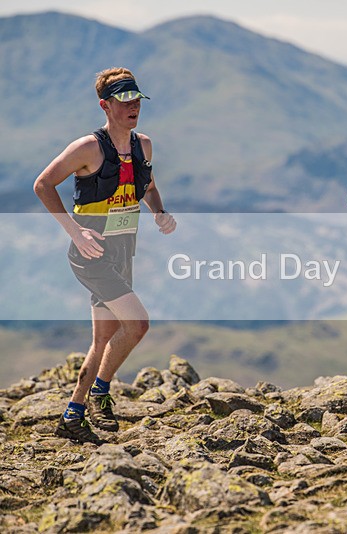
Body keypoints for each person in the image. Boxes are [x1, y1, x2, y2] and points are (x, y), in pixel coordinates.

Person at [34, 68, 177, 444]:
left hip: (122, 249)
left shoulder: (143, 145)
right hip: (91, 253)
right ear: (105, 105)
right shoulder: (88, 148)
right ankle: (100, 392)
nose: (132, 107)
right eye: (124, 100)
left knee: (104, 339)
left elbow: (147, 185)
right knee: (138, 324)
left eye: (136, 100)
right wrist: (74, 231)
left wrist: (159, 210)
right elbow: (43, 184)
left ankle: (73, 414)